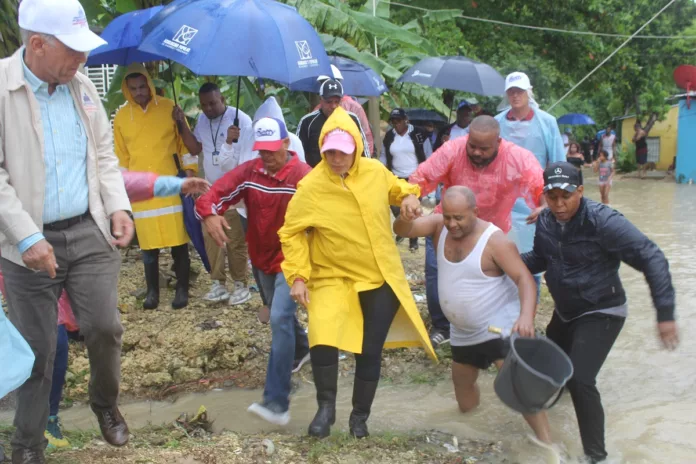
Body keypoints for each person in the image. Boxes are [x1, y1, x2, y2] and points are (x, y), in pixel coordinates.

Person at [0, 0, 135, 461]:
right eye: (72, 50)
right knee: (38, 350)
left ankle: (105, 404)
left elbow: (103, 156)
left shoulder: (81, 89)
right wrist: (26, 236)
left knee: (104, 327)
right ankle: (27, 444)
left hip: (88, 232)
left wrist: (117, 207)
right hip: (25, 245)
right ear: (37, 43)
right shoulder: (2, 88)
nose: (82, 61)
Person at [1, 172, 210, 451]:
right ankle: (29, 437)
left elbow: (114, 180)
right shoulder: (15, 149)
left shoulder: (78, 152)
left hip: (70, 257)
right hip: (22, 255)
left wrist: (172, 185)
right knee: (38, 350)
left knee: (75, 338)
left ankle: (53, 418)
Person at [279, 107, 436, 439]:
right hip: (332, 276)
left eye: (343, 152)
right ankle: (326, 409)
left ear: (356, 148)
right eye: (330, 152)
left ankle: (359, 418)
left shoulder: (375, 171)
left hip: (377, 275)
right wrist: (297, 276)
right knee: (322, 337)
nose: (337, 159)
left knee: (370, 348)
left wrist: (409, 198)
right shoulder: (310, 186)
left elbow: (399, 188)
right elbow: (291, 232)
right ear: (321, 149)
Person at [523, 161, 678, 464]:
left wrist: (665, 313)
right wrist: (501, 262)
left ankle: (596, 456)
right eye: (551, 197)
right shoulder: (546, 221)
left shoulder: (603, 221)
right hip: (566, 311)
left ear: (580, 191)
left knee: (581, 378)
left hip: (603, 309)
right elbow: (541, 259)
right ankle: (555, 420)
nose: (558, 204)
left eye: (565, 196)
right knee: (549, 369)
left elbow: (652, 257)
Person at [393, 186, 553, 447]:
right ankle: (472, 432)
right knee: (463, 390)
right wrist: (405, 217)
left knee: (520, 388)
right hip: (464, 332)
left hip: (499, 326)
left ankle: (548, 445)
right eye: (447, 216)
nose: (452, 224)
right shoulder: (438, 226)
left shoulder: (496, 241)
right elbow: (402, 231)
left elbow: (524, 278)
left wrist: (526, 317)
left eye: (459, 218)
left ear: (475, 212)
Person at [195, 117, 311, 425]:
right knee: (280, 315)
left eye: (272, 150)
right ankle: (304, 347)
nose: (267, 158)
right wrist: (209, 214)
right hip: (261, 259)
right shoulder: (251, 173)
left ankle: (276, 402)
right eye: (262, 151)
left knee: (278, 319)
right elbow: (214, 193)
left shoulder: (306, 178)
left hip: (293, 261)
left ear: (286, 144)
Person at [409, 116, 546, 347]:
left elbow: (539, 186)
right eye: (472, 146)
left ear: (498, 142)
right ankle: (443, 326)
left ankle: (512, 327)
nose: (477, 153)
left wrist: (543, 205)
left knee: (506, 281)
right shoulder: (453, 149)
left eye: (484, 148)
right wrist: (412, 195)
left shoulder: (517, 157)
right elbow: (422, 177)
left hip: (492, 234)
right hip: (450, 226)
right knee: (435, 272)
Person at [114, 63, 197, 310]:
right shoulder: (121, 117)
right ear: (126, 89)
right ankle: (152, 293)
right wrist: (122, 194)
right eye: (133, 88)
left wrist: (190, 175)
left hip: (170, 185)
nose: (139, 92)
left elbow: (185, 147)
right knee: (148, 245)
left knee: (178, 242)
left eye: (142, 86)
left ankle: (182, 289)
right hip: (142, 191)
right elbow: (120, 159)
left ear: (149, 85)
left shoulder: (170, 109)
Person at [173, 82, 252, 306]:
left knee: (235, 238)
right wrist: (181, 124)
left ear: (223, 100)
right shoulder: (202, 121)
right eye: (204, 105)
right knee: (212, 238)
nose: (208, 108)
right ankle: (218, 283)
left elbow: (247, 154)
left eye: (213, 103)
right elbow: (194, 148)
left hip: (234, 189)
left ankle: (240, 284)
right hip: (211, 189)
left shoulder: (241, 120)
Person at [495, 71, 565, 308]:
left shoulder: (547, 122)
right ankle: (505, 315)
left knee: (532, 263)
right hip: (502, 204)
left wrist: (548, 204)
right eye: (511, 91)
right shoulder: (497, 123)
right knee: (501, 260)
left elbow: (557, 164)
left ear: (529, 92)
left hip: (535, 204)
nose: (516, 96)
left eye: (520, 91)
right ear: (507, 94)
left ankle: (527, 317)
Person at [381, 108, 431, 251]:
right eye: (393, 121)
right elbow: (384, 154)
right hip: (396, 176)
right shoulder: (390, 136)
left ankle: (413, 240)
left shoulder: (419, 133)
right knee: (395, 207)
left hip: (415, 177)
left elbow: (428, 152)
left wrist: (427, 172)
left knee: (411, 208)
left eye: (399, 121)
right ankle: (405, 229)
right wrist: (381, 166)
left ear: (405, 120)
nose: (396, 124)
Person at [296, 79, 370, 167]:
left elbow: (363, 150)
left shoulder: (352, 119)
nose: (333, 106)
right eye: (329, 102)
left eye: (337, 102)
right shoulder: (307, 122)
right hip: (316, 177)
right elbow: (298, 153)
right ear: (321, 100)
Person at [315, 65, 375, 156]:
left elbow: (366, 136)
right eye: (322, 82)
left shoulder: (354, 108)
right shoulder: (317, 110)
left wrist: (366, 161)